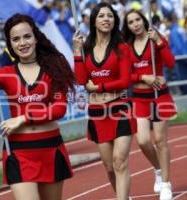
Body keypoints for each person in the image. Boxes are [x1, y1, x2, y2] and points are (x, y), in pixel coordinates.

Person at [0, 14, 74, 200]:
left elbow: (59, 109)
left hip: (50, 149)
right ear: (10, 44)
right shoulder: (5, 74)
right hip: (19, 151)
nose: (22, 43)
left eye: (27, 36)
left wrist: (23, 118)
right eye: (16, 39)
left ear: (36, 38)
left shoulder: (54, 69)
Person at [73, 3, 136, 200]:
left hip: (120, 108)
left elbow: (125, 81)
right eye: (101, 16)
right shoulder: (86, 47)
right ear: (93, 21)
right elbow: (82, 80)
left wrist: (99, 87)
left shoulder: (122, 47)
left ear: (115, 21)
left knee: (120, 161)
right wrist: (76, 52)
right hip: (98, 113)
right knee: (109, 167)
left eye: (110, 16)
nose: (106, 19)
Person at [122, 10, 177, 200]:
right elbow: (125, 75)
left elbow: (170, 63)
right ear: (127, 26)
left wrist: (159, 42)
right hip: (139, 98)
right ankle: (158, 169)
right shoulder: (126, 46)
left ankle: (167, 185)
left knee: (161, 141)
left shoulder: (156, 38)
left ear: (144, 20)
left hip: (159, 96)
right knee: (143, 141)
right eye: (131, 22)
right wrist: (142, 77)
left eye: (138, 20)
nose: (135, 24)